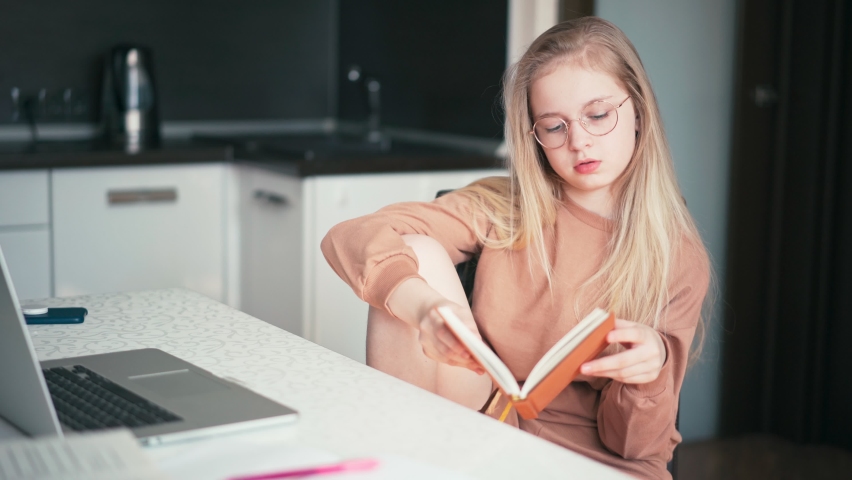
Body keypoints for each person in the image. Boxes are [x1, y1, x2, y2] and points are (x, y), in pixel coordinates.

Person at [321, 16, 711, 479]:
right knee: (419, 255)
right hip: (488, 427)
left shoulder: (676, 255)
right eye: (554, 126)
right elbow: (347, 237)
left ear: (639, 112)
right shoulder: (505, 208)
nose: (579, 140)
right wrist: (423, 310)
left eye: (598, 115)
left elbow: (633, 446)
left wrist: (650, 372)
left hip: (598, 461)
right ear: (535, 136)